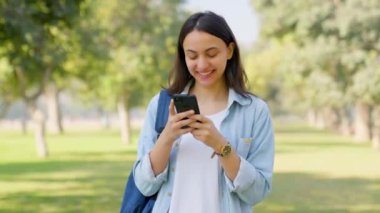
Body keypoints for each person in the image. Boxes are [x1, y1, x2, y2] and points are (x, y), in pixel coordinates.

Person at [133, 11, 274, 213]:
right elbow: (144, 185)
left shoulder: (255, 111)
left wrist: (221, 146)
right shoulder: (161, 105)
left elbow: (257, 193)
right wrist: (167, 137)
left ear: (230, 50)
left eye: (211, 54)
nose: (202, 65)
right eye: (192, 56)